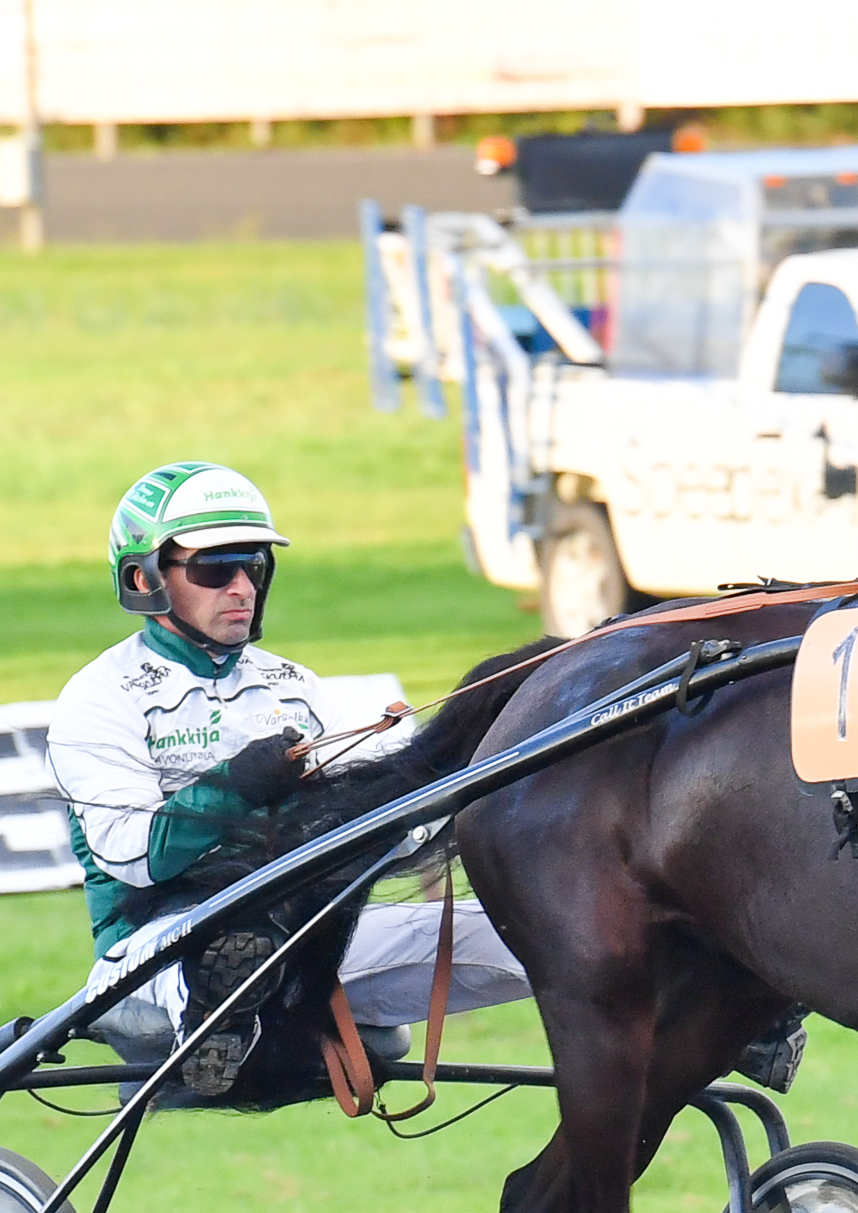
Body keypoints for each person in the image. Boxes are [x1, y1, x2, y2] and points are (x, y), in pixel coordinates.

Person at [46, 462, 532, 1098]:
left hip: (308, 934)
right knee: (223, 941)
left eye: (254, 565)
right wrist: (238, 783)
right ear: (145, 579)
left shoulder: (294, 687)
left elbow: (402, 838)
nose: (242, 587)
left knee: (534, 927)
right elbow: (135, 856)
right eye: (215, 569)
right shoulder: (99, 697)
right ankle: (221, 998)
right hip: (150, 948)